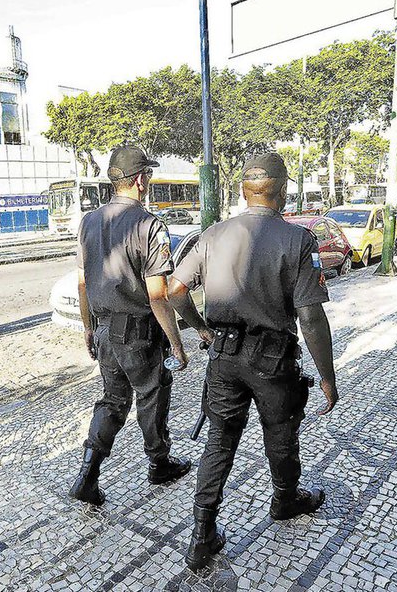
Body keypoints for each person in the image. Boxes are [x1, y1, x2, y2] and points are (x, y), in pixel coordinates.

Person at [168, 153, 339, 570]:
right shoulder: (297, 239)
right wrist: (327, 377)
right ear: (282, 191)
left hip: (224, 358)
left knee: (220, 441)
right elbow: (310, 317)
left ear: (244, 191)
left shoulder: (212, 234)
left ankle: (202, 534)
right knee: (280, 435)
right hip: (273, 361)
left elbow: (175, 291)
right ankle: (285, 500)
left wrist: (201, 328)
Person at [69, 146, 193, 507]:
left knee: (112, 401)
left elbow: (83, 283)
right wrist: (176, 343)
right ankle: (159, 464)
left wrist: (88, 328)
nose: (148, 181)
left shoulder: (88, 222)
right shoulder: (149, 225)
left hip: (104, 330)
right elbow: (158, 296)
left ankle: (87, 476)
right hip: (138, 333)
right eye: (148, 175)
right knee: (153, 394)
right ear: (140, 180)